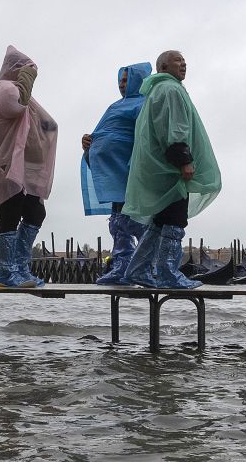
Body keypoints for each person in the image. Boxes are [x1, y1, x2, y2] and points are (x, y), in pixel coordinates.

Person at [121, 51, 221, 288]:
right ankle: (167, 273)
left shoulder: (157, 90)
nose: (184, 63)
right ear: (164, 66)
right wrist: (183, 159)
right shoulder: (171, 89)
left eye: (185, 60)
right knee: (176, 219)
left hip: (157, 166)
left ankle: (138, 268)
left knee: (161, 220)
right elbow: (174, 128)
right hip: (169, 167)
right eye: (178, 60)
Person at [0, 45, 58, 288]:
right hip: (6, 165)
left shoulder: (22, 94)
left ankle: (20, 267)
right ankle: (5, 273)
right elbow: (14, 107)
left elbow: (46, 124)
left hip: (23, 168)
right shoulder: (3, 88)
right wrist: (26, 82)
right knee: (11, 212)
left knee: (36, 212)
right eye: (26, 70)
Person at [80, 62, 152, 285]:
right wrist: (89, 144)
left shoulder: (144, 104)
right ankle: (121, 266)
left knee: (137, 221)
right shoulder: (115, 106)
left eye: (126, 80)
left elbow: (145, 136)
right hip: (112, 171)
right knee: (117, 222)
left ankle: (145, 268)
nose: (122, 85)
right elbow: (105, 131)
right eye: (120, 81)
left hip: (129, 169)